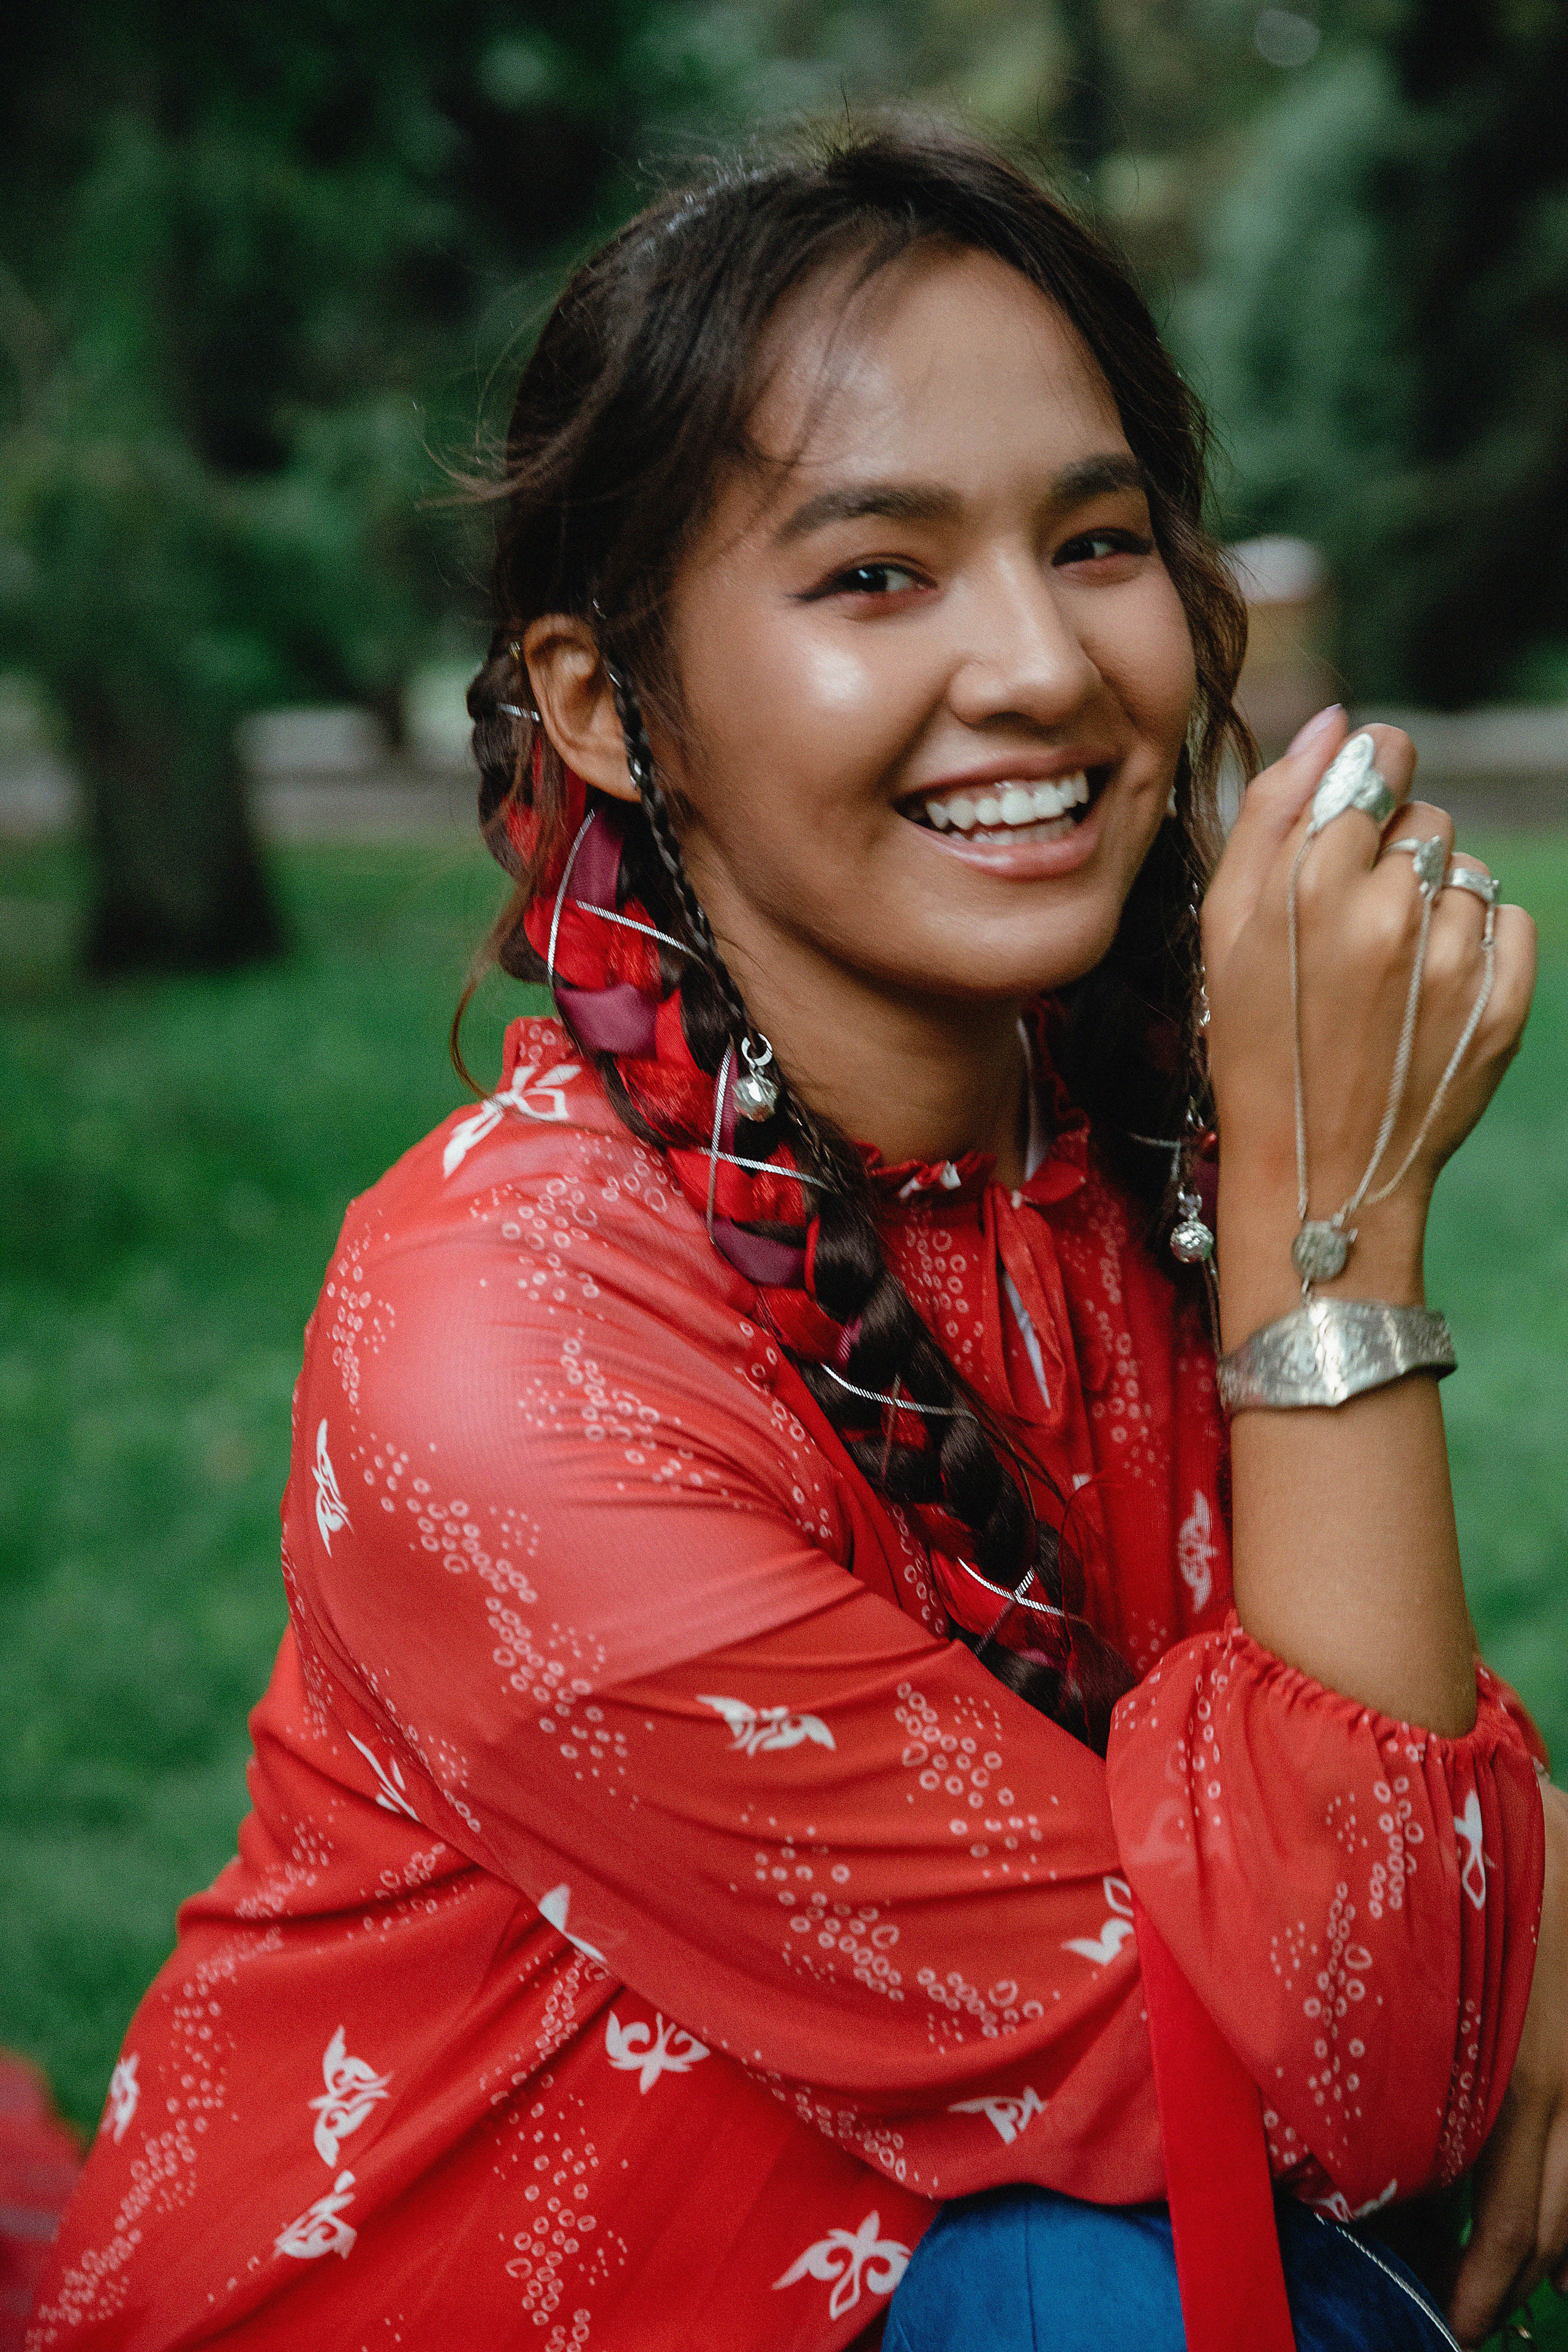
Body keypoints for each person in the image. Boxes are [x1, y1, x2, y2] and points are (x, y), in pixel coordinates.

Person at [28, 125, 1559, 2352]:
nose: (1041, 665)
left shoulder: (1100, 1151)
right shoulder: (508, 1350)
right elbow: (1347, 2076)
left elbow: (1343, 1887)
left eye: (1100, 538)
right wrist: (1332, 1248)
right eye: (874, 575)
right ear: (596, 704)